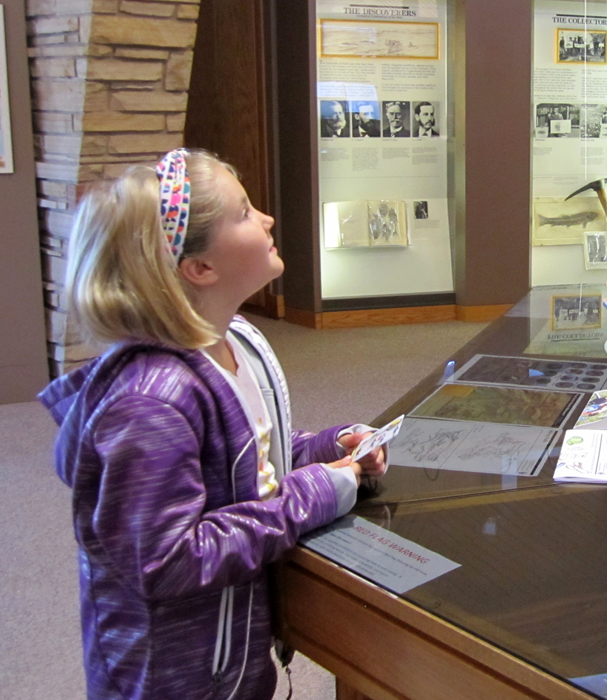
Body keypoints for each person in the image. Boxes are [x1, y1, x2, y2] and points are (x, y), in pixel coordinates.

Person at [38, 149, 388, 700]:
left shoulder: (235, 341)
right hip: (171, 681)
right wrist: (315, 493)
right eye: (246, 212)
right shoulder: (151, 403)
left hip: (231, 656)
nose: (268, 219)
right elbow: (168, 559)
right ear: (200, 267)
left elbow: (247, 459)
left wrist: (326, 448)